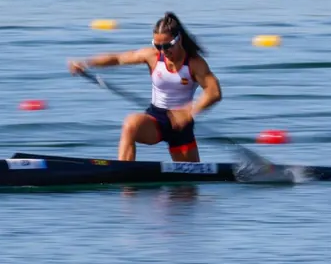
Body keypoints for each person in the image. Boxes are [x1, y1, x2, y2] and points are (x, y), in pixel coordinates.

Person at [68, 12, 222, 162]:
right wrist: (86, 63)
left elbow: (214, 92)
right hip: (156, 118)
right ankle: (125, 175)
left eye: (168, 45)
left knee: (188, 185)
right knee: (130, 124)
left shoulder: (195, 63)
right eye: (157, 45)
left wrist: (189, 112)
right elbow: (118, 58)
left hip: (181, 125)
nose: (163, 51)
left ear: (179, 39)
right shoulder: (153, 56)